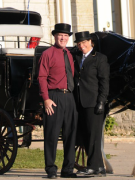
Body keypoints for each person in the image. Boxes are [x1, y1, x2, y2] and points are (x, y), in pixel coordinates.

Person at [38, 23, 78, 179]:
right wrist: (46, 99)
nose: (63, 38)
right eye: (60, 35)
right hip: (54, 97)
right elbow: (41, 77)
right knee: (51, 134)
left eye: (66, 36)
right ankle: (51, 169)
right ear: (55, 36)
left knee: (70, 134)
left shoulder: (69, 54)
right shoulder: (47, 54)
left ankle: (68, 169)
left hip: (69, 97)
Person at [74, 31, 110, 177]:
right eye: (79, 44)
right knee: (86, 134)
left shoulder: (99, 59)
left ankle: (93, 166)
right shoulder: (77, 58)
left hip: (94, 102)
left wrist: (101, 101)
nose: (82, 46)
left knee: (93, 135)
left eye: (84, 43)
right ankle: (99, 167)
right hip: (80, 101)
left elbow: (104, 82)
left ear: (91, 42)